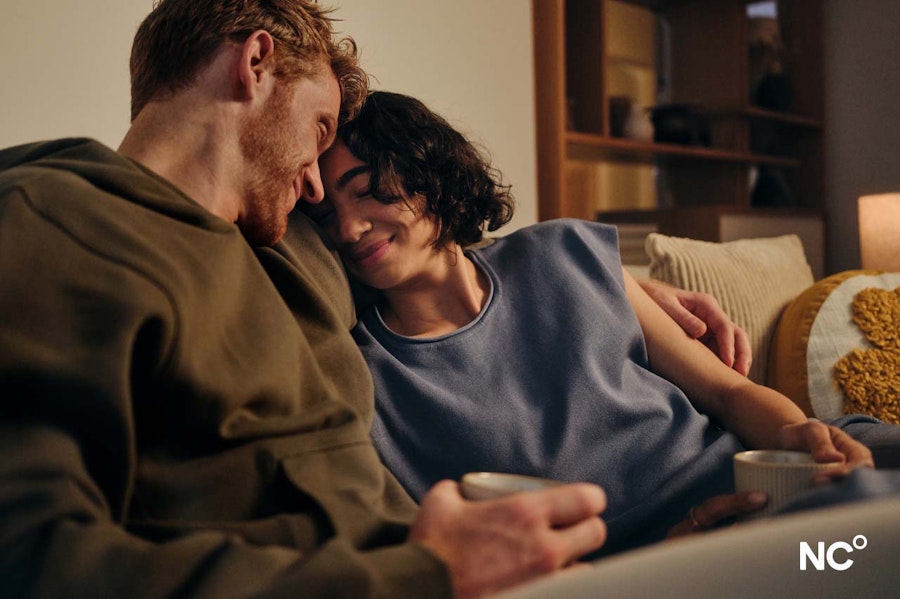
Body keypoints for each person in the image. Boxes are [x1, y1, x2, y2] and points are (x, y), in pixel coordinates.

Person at [0, 2, 610, 598]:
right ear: (256, 62)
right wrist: (429, 575)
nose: (317, 182)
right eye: (319, 128)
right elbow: (29, 558)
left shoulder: (290, 243)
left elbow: (439, 240)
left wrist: (612, 278)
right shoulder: (52, 220)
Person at [305, 90, 899, 557]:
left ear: (428, 174)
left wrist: (799, 438)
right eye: (329, 215)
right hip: (683, 553)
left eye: (368, 193)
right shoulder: (368, 377)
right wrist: (662, 560)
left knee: (870, 487)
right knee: (857, 542)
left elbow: (729, 389)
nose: (349, 229)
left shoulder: (566, 252)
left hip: (769, 471)